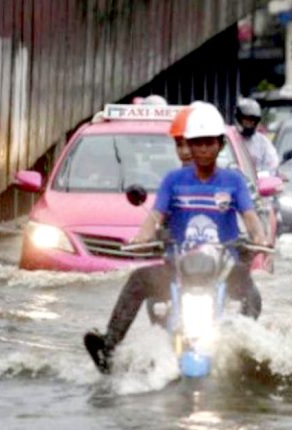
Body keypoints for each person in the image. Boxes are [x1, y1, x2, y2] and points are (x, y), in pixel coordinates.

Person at [84, 104, 270, 374]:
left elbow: (251, 217)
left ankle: (244, 353)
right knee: (138, 280)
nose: (203, 149)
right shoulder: (173, 180)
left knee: (251, 294)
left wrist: (260, 238)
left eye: (209, 143)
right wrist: (141, 237)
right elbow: (155, 216)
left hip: (222, 268)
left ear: (220, 145)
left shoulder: (234, 181)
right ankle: (109, 347)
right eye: (196, 144)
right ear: (188, 147)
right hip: (178, 267)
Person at [235, 97, 279, 173]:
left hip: (256, 181)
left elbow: (272, 163)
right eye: (246, 119)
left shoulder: (262, 142)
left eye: (252, 120)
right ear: (239, 118)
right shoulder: (230, 138)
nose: (249, 122)